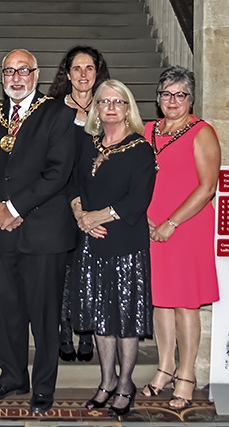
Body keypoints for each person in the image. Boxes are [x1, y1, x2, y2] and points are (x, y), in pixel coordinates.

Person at [0, 49, 77, 414]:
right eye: (8, 71)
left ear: (36, 74)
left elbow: (58, 172)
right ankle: (12, 376)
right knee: (8, 311)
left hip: (44, 232)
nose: (15, 78)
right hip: (3, 232)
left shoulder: (59, 114)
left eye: (23, 71)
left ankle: (43, 387)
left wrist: (14, 208)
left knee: (44, 314)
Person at [69, 80, 156, 416]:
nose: (110, 107)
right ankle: (106, 381)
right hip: (92, 243)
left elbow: (138, 199)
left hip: (126, 243)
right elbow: (73, 184)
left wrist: (97, 215)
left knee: (126, 319)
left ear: (127, 108)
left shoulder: (140, 149)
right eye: (104, 101)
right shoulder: (88, 145)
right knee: (102, 318)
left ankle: (125, 384)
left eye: (117, 102)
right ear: (96, 108)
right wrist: (80, 215)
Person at [142, 66, 220, 409]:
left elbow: (207, 188)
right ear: (158, 98)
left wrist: (170, 223)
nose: (172, 101)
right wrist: (143, 217)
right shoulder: (146, 130)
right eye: (166, 94)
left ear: (191, 99)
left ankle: (186, 375)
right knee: (160, 301)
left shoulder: (202, 132)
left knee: (186, 304)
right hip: (149, 225)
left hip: (187, 227)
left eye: (180, 94)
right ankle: (165, 367)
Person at [47, 45, 110, 363]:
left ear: (97, 73)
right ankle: (63, 332)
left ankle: (85, 332)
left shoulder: (109, 108)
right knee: (64, 272)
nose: (83, 74)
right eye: (77, 68)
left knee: (89, 272)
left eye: (89, 68)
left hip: (96, 203)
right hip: (60, 202)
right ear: (67, 74)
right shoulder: (52, 109)